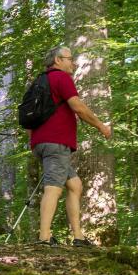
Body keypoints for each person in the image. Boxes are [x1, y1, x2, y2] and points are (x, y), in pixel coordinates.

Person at [31, 46, 111, 247]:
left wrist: (37, 141)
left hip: (41, 142)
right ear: (58, 60)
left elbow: (30, 116)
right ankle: (44, 237)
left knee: (75, 185)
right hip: (56, 143)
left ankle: (78, 236)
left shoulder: (39, 81)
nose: (73, 63)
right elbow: (78, 107)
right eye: (69, 59)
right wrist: (100, 125)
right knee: (53, 188)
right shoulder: (61, 78)